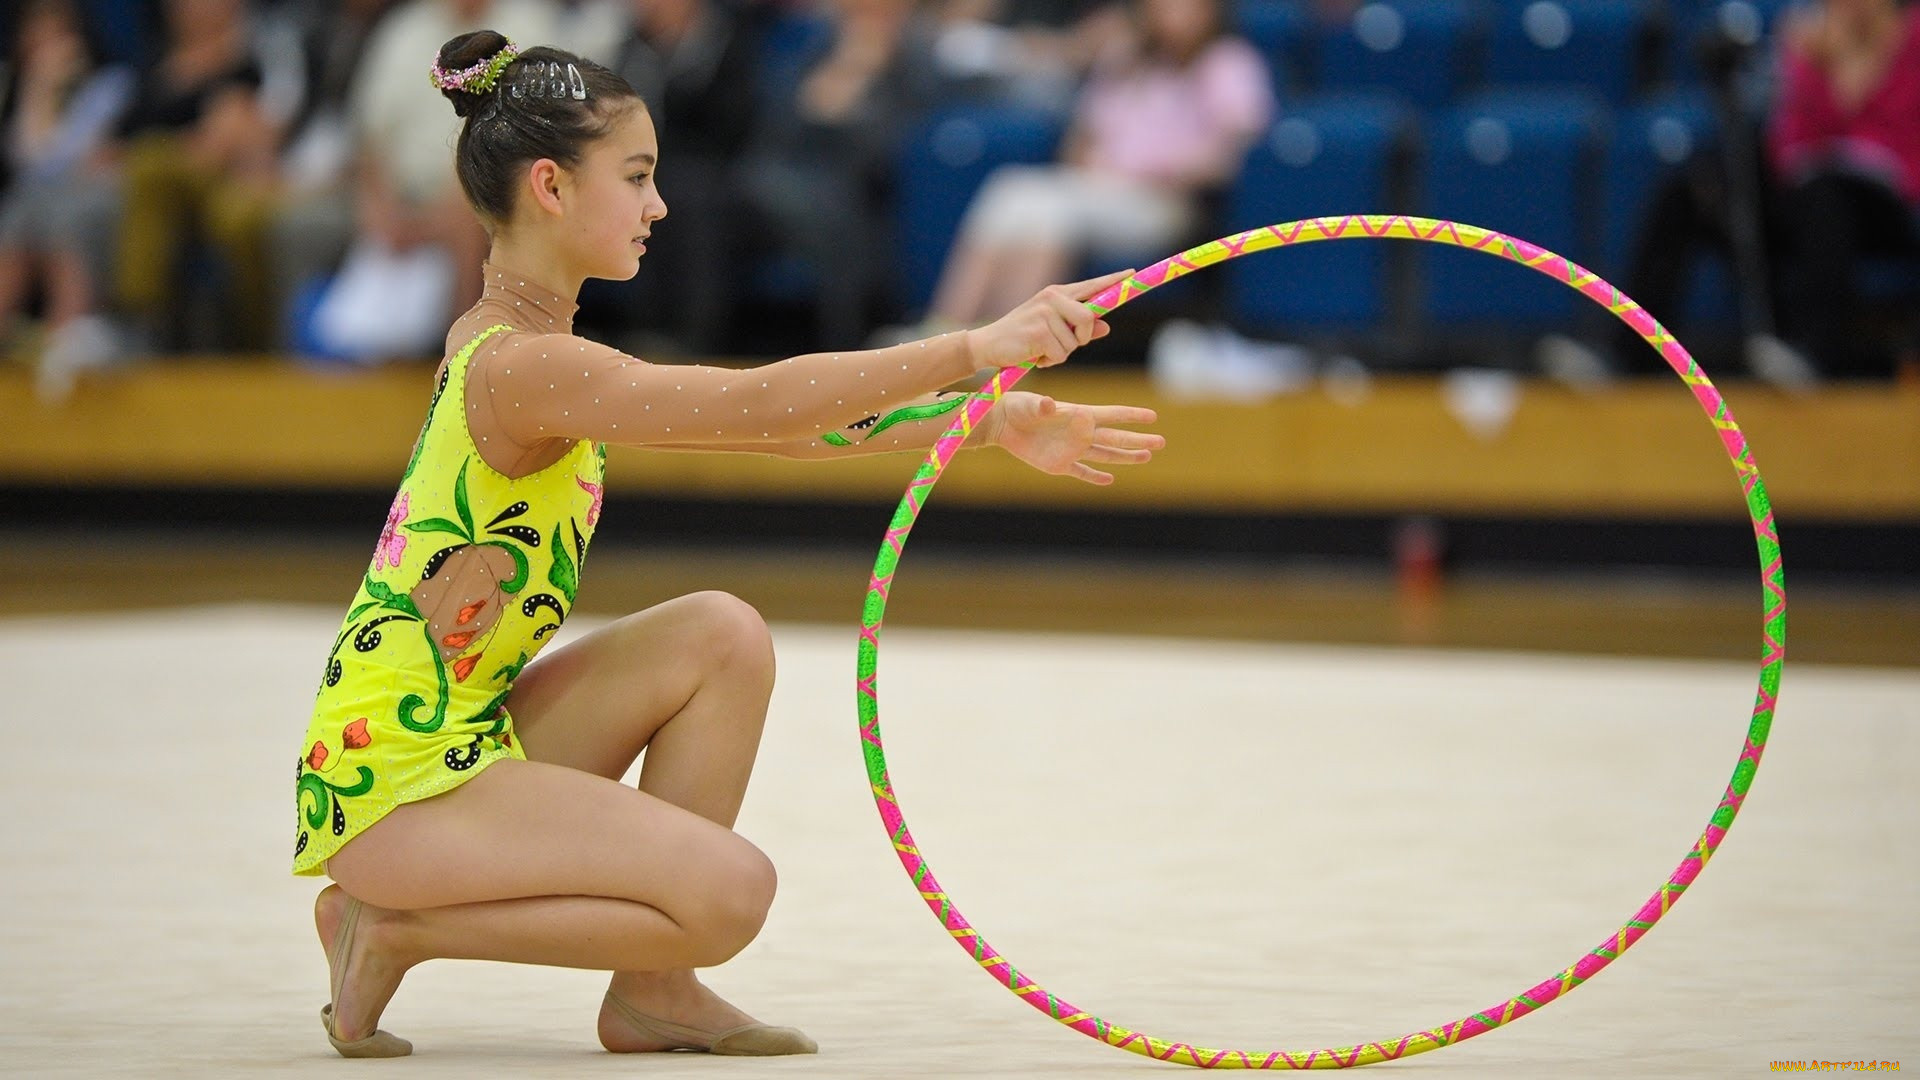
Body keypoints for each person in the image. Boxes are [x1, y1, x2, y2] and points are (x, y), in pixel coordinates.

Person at [295, 30, 1165, 1058]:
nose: (660, 205)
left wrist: (980, 416)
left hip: (463, 733)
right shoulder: (521, 364)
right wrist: (973, 347)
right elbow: (758, 401)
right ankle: (387, 926)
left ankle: (653, 990)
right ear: (550, 188)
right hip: (399, 782)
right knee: (732, 892)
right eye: (637, 177)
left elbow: (788, 426)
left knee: (720, 633)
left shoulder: (533, 348)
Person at [920, 0, 1271, 333]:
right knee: (1012, 190)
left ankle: (1007, 349)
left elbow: (1235, 155)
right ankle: (949, 330)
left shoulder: (1228, 63)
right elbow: (1082, 137)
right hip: (1097, 188)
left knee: (1049, 211)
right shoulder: (1127, 59)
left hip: (1163, 201)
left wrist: (1165, 169)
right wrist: (1086, 163)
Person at [1768, 0, 1920, 378]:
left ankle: (1817, 354)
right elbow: (1791, 143)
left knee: (1829, 198)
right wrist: (1807, 65)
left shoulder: (1914, 38)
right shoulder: (1815, 45)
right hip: (1815, 192)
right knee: (1701, 182)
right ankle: (1630, 351)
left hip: (1893, 203)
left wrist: (1856, 61)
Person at [0, 0, 133, 399]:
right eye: (36, 35)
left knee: (55, 211)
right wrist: (38, 90)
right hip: (37, 201)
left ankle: (64, 335)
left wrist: (47, 85)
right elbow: (25, 161)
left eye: (56, 35)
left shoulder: (111, 86)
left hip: (98, 199)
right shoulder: (13, 87)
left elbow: (54, 159)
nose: (46, 46)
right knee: (22, 210)